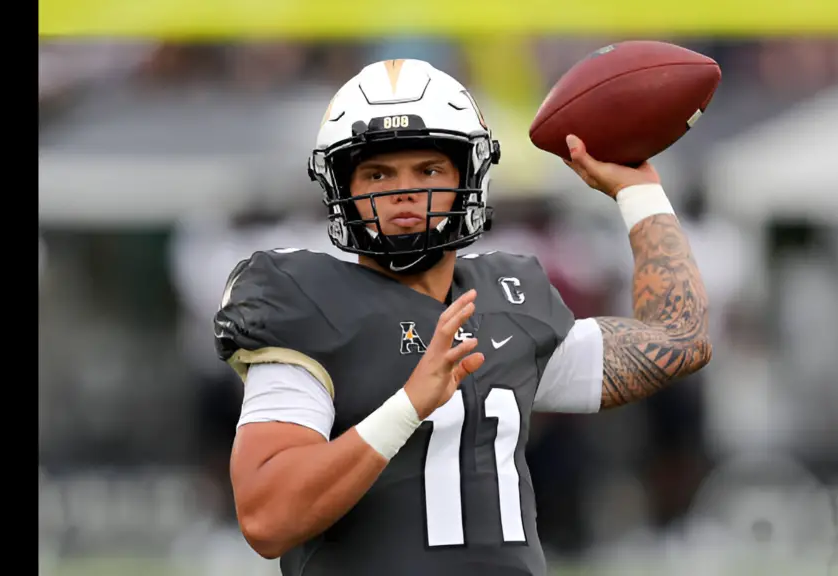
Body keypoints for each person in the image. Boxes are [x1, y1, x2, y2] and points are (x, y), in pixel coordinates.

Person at [215, 59, 712, 576]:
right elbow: (267, 518)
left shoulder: (508, 302)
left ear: (468, 177)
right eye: (378, 173)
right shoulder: (307, 304)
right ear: (343, 187)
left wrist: (639, 191)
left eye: (427, 170)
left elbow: (679, 340)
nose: (403, 192)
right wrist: (408, 406)